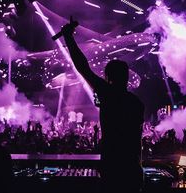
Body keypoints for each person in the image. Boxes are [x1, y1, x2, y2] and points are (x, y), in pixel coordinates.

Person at [60, 16, 145, 193]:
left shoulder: (109, 94)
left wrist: (68, 37)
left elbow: (82, 67)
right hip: (133, 167)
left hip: (113, 165)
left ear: (108, 77)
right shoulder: (136, 103)